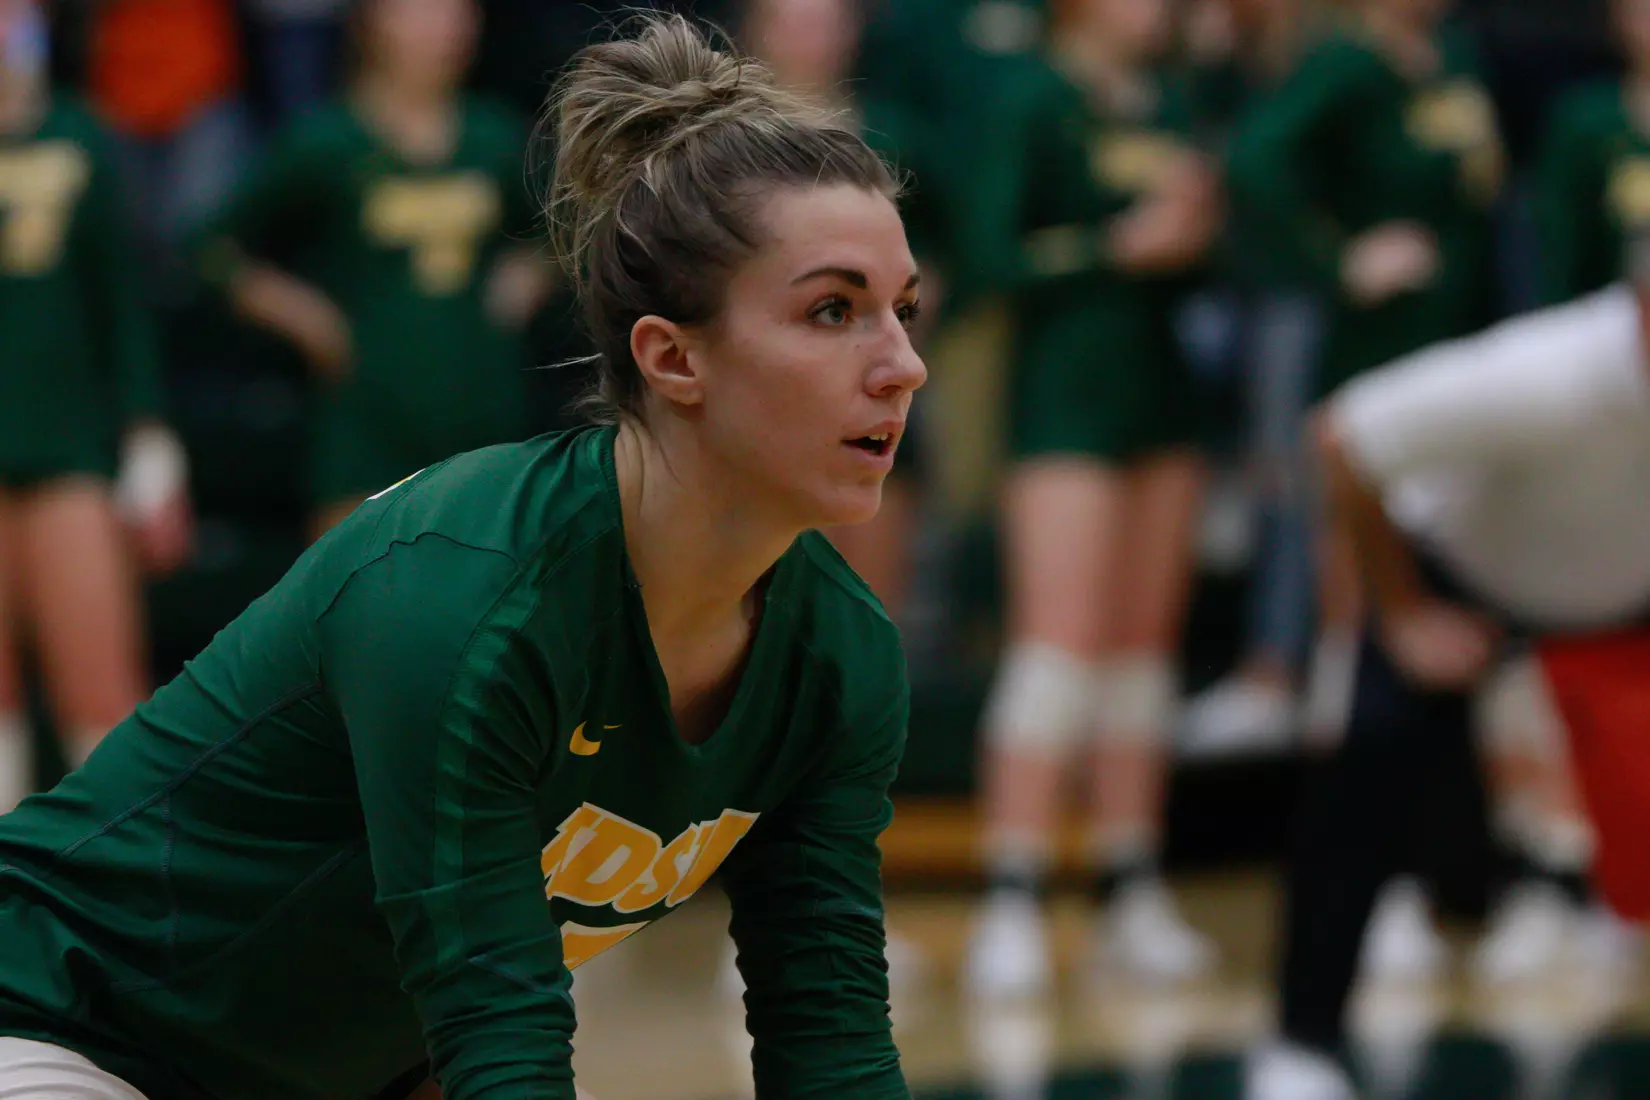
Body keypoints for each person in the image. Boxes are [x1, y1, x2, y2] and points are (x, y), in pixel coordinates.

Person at [0, 13, 926, 1100]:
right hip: (61, 1020)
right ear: (673, 359)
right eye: (834, 310)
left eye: (904, 310)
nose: (903, 365)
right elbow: (501, 1045)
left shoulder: (839, 654)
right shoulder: (464, 597)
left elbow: (832, 1043)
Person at [1249, 276, 1650, 1100]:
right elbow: (1342, 437)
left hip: (1627, 595)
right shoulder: (1549, 372)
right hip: (1464, 579)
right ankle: (1300, 1043)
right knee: (1367, 756)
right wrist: (1403, 614)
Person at [1227, 0, 1505, 977]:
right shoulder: (1342, 63)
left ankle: (1451, 875)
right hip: (1374, 377)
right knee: (1362, 630)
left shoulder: (1453, 55)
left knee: (1454, 626)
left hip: (1463, 373)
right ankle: (1368, 886)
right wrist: (1340, 258)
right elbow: (1254, 163)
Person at [961, 0, 1224, 995]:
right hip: (1064, 400)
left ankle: (1130, 885)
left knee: (1141, 654)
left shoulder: (1171, 101)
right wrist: (1115, 248)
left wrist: (1202, 230)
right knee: (1058, 647)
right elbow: (987, 256)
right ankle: (1013, 892)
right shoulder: (1028, 97)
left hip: (1162, 395)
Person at [205, 0, 550, 540]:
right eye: (423, 10)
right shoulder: (326, 142)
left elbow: (564, 230)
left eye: (460, 10)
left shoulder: (494, 134)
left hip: (481, 412)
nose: (448, 26)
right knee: (358, 581)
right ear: (372, 22)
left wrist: (534, 269)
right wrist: (297, 311)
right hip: (368, 419)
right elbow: (212, 250)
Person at [0, 0, 192, 814]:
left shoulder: (83, 136)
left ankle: (110, 872)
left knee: (101, 693)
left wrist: (150, 445)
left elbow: (124, 302)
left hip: (68, 447)